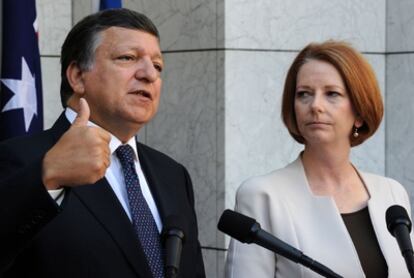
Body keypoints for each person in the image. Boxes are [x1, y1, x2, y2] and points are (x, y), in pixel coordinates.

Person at [0, 8, 205, 278]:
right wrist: (47, 178)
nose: (149, 75)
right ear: (77, 76)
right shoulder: (19, 159)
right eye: (128, 58)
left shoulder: (173, 175)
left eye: (157, 66)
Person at [225, 40, 412, 277]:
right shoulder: (262, 196)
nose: (315, 106)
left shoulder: (392, 194)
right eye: (304, 94)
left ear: (359, 113)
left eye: (332, 94)